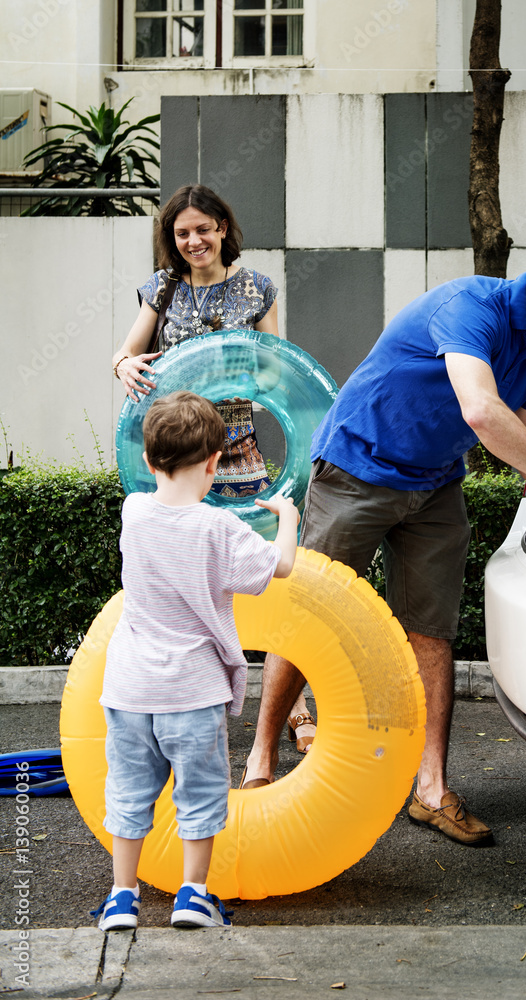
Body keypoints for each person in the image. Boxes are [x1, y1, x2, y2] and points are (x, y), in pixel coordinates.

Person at [241, 225, 526, 845]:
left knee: (431, 630)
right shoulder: (469, 307)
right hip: (358, 468)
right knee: (308, 616)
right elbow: (480, 410)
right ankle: (261, 762)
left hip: (434, 485)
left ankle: (430, 789)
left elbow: (521, 441)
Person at [110, 183, 316, 754]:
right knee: (181, 575)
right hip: (175, 457)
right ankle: (185, 695)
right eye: (182, 233)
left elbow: (278, 368)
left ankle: (291, 705)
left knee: (260, 580)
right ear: (171, 241)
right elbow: (125, 353)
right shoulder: (163, 288)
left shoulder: (256, 287)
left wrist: (241, 369)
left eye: (203, 229)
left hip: (236, 453)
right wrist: (124, 365)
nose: (194, 241)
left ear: (223, 228)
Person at [90, 391, 299, 932]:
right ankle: (194, 895)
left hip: (130, 690)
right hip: (193, 691)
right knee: (200, 793)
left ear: (148, 461)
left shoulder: (133, 512)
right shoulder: (219, 530)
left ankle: (121, 897)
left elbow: (160, 510)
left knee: (130, 792)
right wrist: (288, 516)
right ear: (214, 463)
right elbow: (280, 567)